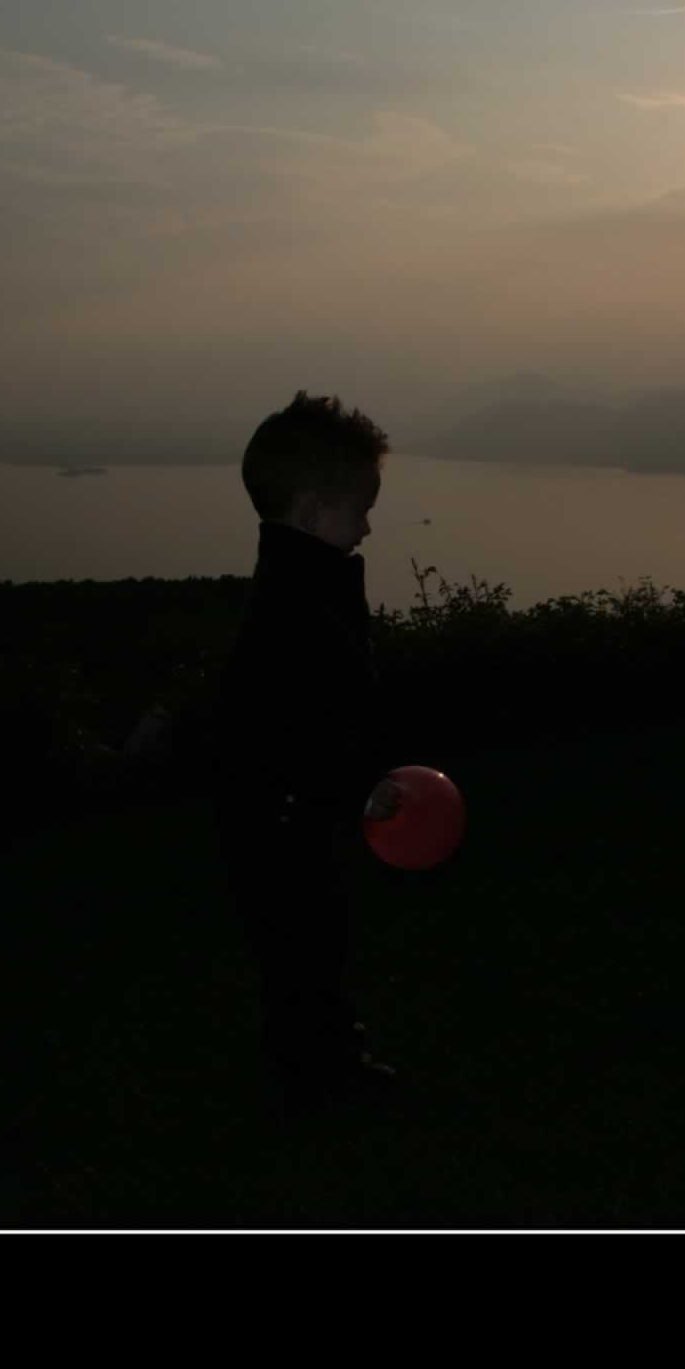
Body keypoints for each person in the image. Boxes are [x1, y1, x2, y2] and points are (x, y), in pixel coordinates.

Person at [209, 391, 408, 1120]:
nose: (366, 525)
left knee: (310, 950)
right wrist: (358, 788)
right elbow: (293, 733)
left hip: (286, 818)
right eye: (358, 508)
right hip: (282, 825)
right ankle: (321, 1079)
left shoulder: (302, 585)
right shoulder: (296, 609)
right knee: (306, 955)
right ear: (308, 506)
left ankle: (319, 1062)